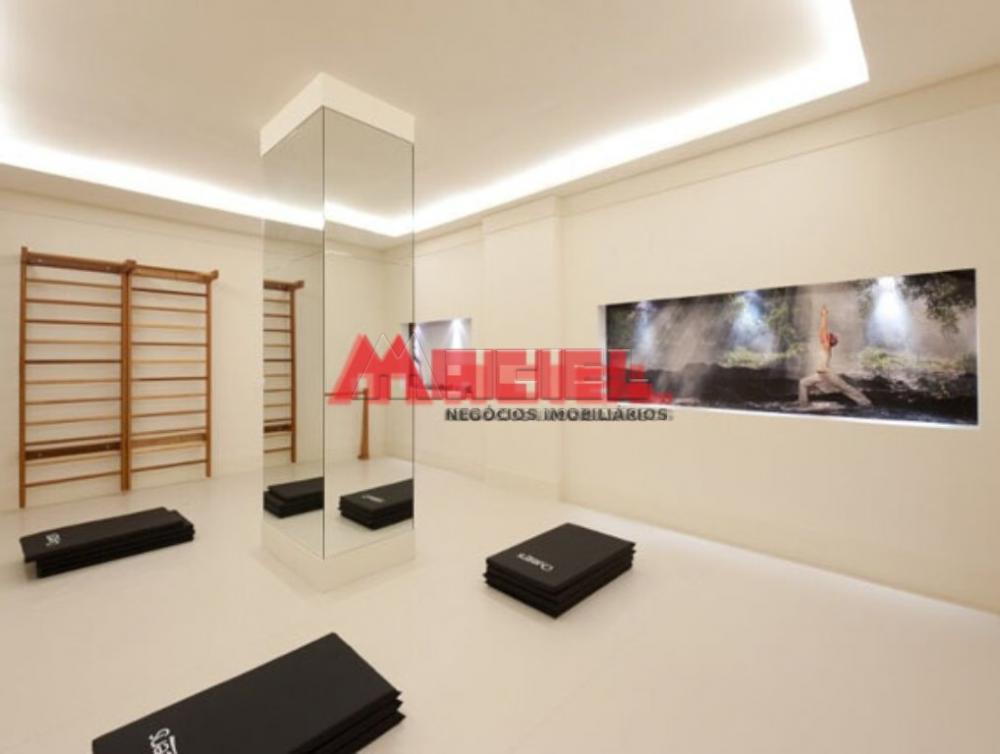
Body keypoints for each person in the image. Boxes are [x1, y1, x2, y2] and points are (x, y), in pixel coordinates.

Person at [798, 305, 872, 407]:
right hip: (820, 375)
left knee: (845, 388)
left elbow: (823, 330)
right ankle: (803, 404)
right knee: (803, 383)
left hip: (827, 373)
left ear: (829, 341)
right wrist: (823, 316)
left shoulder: (826, 346)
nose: (827, 335)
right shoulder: (824, 345)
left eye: (829, 336)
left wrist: (824, 315)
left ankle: (866, 402)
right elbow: (822, 332)